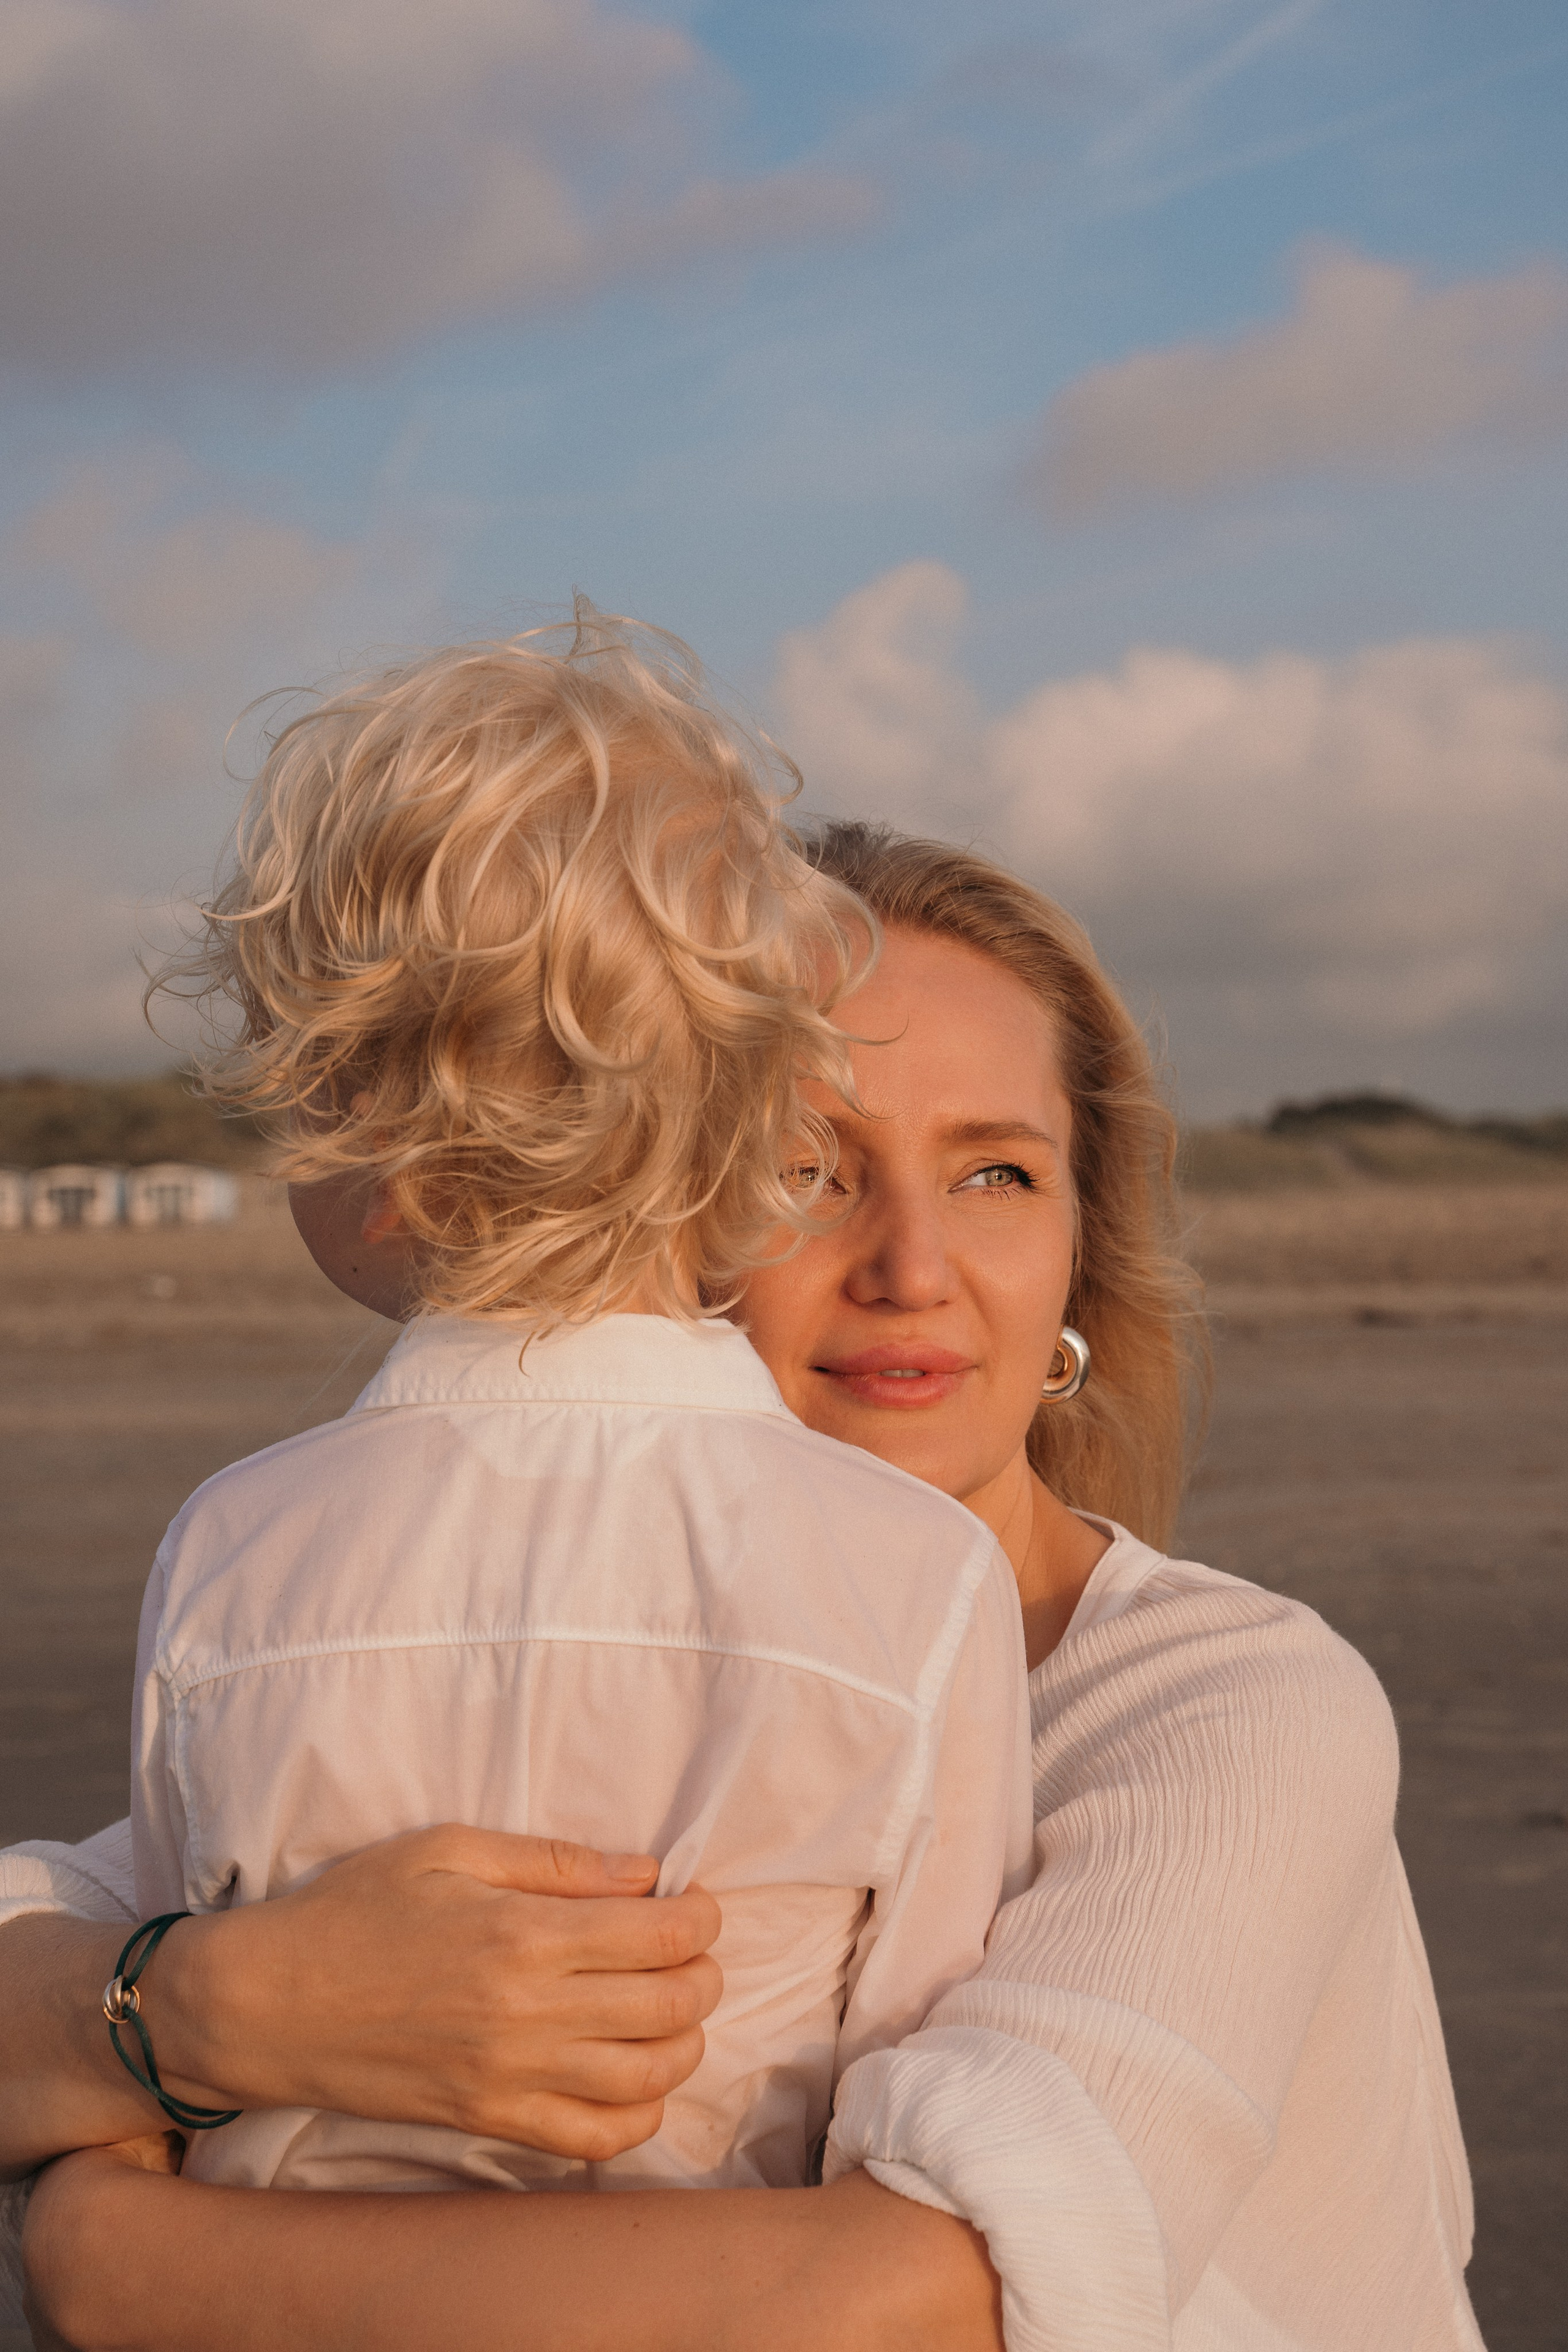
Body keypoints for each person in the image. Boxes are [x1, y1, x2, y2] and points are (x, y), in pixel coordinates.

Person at [3, 823, 1483, 2351]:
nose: (911, 1264)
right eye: (802, 1168)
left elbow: (943, 2295)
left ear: (1073, 1252)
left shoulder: (1227, 1700)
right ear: (628, 1216)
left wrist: (107, 2243)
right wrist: (202, 2012)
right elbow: (48, 1927)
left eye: (995, 1171)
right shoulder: (590, 1647)